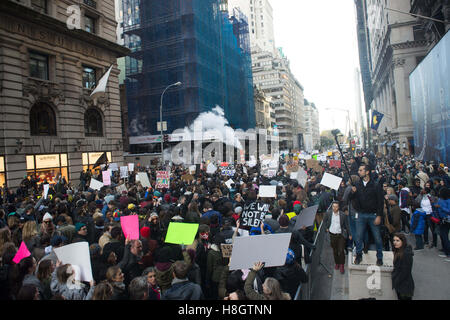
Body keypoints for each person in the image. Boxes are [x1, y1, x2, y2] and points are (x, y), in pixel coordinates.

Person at [349, 164, 384, 266]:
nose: (359, 172)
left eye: (361, 170)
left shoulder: (376, 185)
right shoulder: (357, 184)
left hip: (373, 215)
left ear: (367, 172)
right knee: (359, 237)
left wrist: (379, 215)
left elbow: (380, 202)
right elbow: (350, 198)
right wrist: (352, 192)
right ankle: (359, 255)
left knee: (377, 238)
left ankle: (379, 257)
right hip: (360, 214)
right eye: (359, 170)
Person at [323, 201, 351, 274]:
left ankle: (342, 265)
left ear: (338, 207)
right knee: (335, 250)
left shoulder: (342, 215)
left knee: (341, 250)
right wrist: (326, 228)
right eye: (333, 207)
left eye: (336, 207)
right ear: (332, 207)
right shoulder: (328, 213)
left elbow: (347, 225)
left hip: (341, 235)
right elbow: (324, 221)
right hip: (332, 235)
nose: (335, 208)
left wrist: (350, 234)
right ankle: (337, 263)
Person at [391, 233, 414, 300]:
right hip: (401, 285)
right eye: (394, 240)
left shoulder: (406, 254)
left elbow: (405, 271)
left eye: (397, 240)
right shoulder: (399, 251)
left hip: (405, 286)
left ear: (403, 241)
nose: (395, 242)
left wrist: (396, 280)